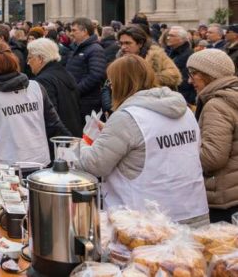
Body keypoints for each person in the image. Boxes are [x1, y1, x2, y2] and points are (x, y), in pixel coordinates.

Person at [77, 55, 208, 226]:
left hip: (144, 223)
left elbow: (95, 164)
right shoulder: (186, 111)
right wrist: (111, 133)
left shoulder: (127, 118)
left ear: (121, 83)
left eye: (111, 83)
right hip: (193, 210)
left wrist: (84, 144)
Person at [0, 41, 71, 183]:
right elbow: (54, 124)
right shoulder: (36, 88)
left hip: (0, 167)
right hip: (36, 161)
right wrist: (74, 146)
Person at [186, 49, 238, 222]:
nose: (189, 80)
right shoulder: (232, 96)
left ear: (209, 75)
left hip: (224, 197)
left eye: (194, 74)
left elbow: (213, 158)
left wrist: (185, 150)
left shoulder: (217, 104)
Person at [27, 38, 85, 136]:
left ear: (40, 58)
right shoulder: (64, 72)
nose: (28, 62)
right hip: (73, 132)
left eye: (30, 58)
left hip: (59, 140)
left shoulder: (43, 80)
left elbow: (49, 118)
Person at [65, 17, 107, 120]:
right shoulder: (75, 48)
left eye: (74, 30)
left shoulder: (95, 49)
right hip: (77, 101)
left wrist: (76, 91)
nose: (71, 33)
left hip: (88, 102)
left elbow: (95, 76)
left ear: (84, 31)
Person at [117, 26, 181, 90]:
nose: (123, 47)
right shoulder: (120, 60)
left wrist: (147, 80)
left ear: (140, 43)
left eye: (128, 43)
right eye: (121, 43)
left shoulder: (156, 55)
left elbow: (174, 75)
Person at [166, 26, 197, 105]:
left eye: (172, 36)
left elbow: (186, 80)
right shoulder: (172, 52)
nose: (168, 38)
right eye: (168, 35)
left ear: (181, 38)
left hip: (183, 98)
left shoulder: (188, 54)